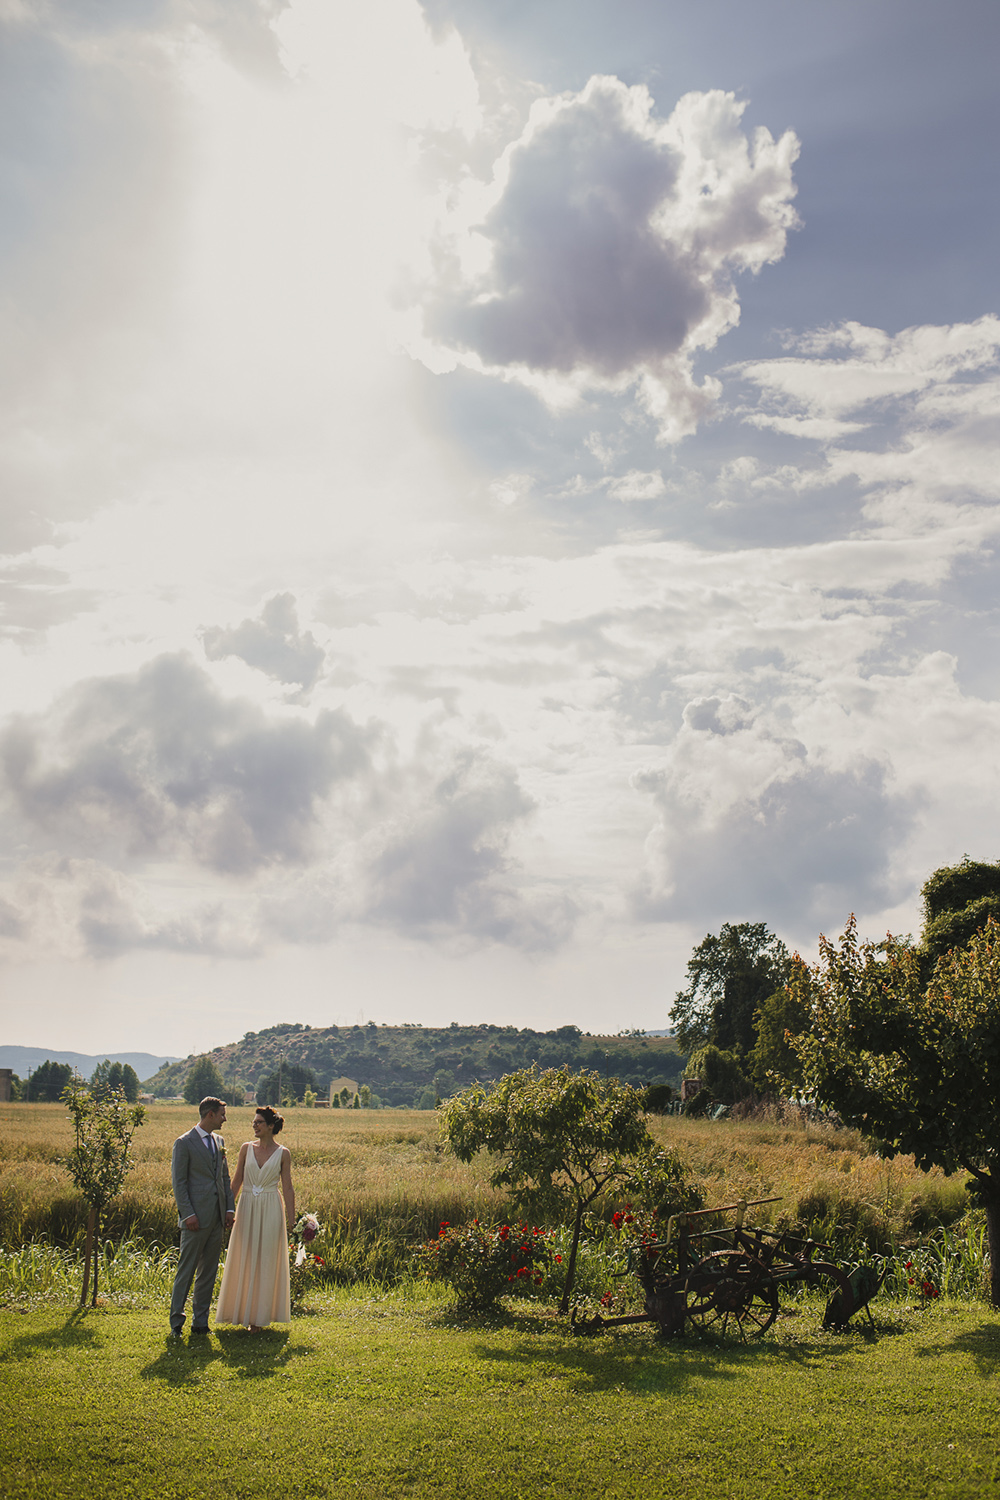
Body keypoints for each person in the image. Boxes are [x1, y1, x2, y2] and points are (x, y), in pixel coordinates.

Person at [215, 1105, 295, 1331]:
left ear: (271, 1126)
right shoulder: (245, 1148)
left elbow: (288, 1188)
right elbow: (236, 1181)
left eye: (259, 1122)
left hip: (271, 1207)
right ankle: (239, 1312)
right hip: (247, 1205)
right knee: (245, 1256)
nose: (254, 1125)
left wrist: (292, 1221)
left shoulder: (283, 1153)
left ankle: (259, 1318)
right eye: (254, 1122)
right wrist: (228, 1210)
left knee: (266, 1259)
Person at [169, 1096, 235, 1336]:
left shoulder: (220, 1141)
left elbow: (224, 1178)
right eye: (221, 1115)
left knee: (208, 1272)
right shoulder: (184, 1143)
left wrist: (229, 1209)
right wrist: (188, 1215)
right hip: (195, 1220)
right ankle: (176, 1321)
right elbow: (179, 1182)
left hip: (217, 1217)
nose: (224, 1119)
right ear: (210, 1115)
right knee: (186, 1272)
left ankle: (200, 1322)